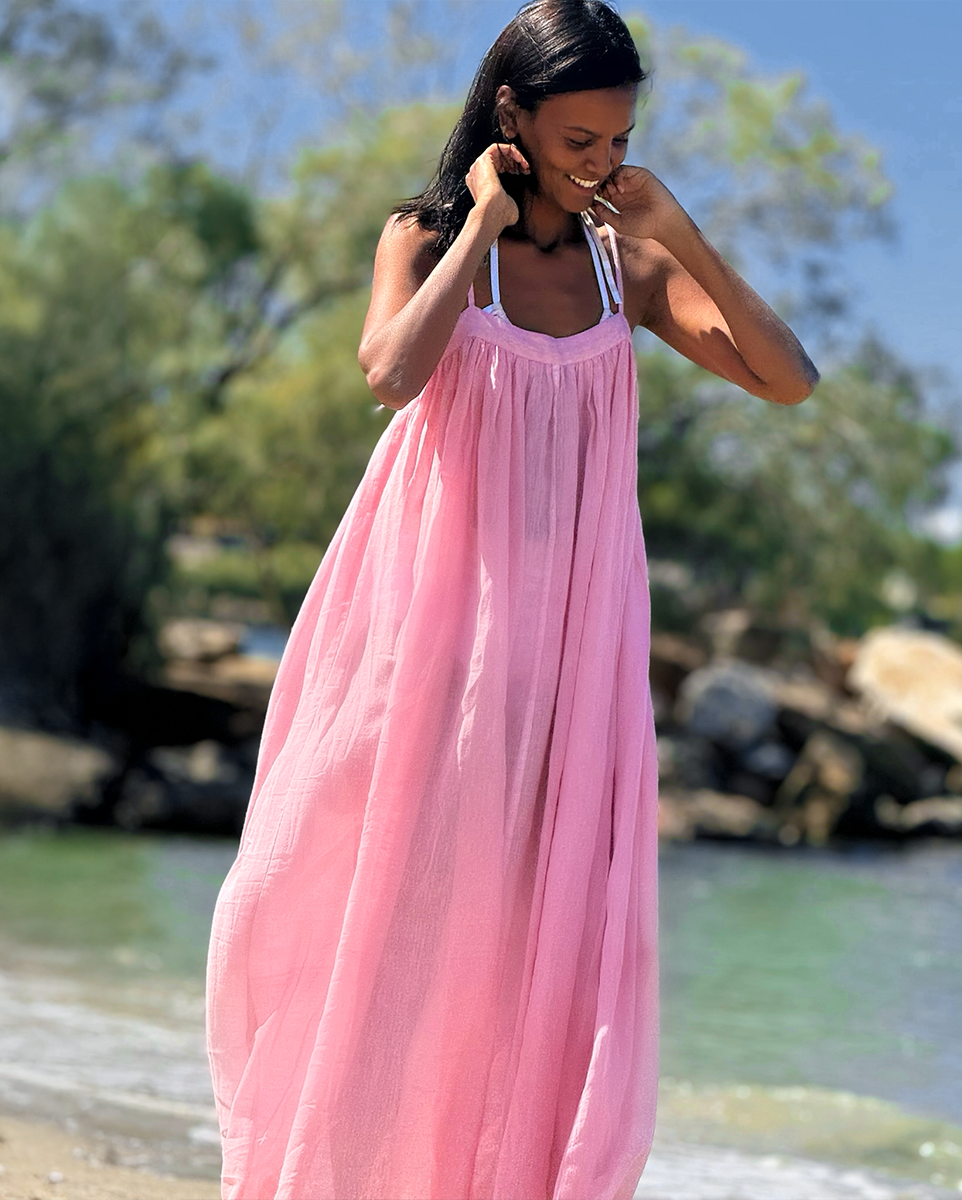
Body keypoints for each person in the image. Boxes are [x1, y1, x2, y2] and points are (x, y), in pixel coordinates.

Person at [205, 1, 818, 1197]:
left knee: (531, 945)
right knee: (351, 901)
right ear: (511, 118)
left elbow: (787, 380)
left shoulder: (625, 269)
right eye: (579, 138)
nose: (603, 162)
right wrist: (478, 218)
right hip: (427, 640)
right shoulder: (428, 239)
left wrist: (681, 233)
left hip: (576, 657)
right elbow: (390, 374)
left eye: (618, 139)